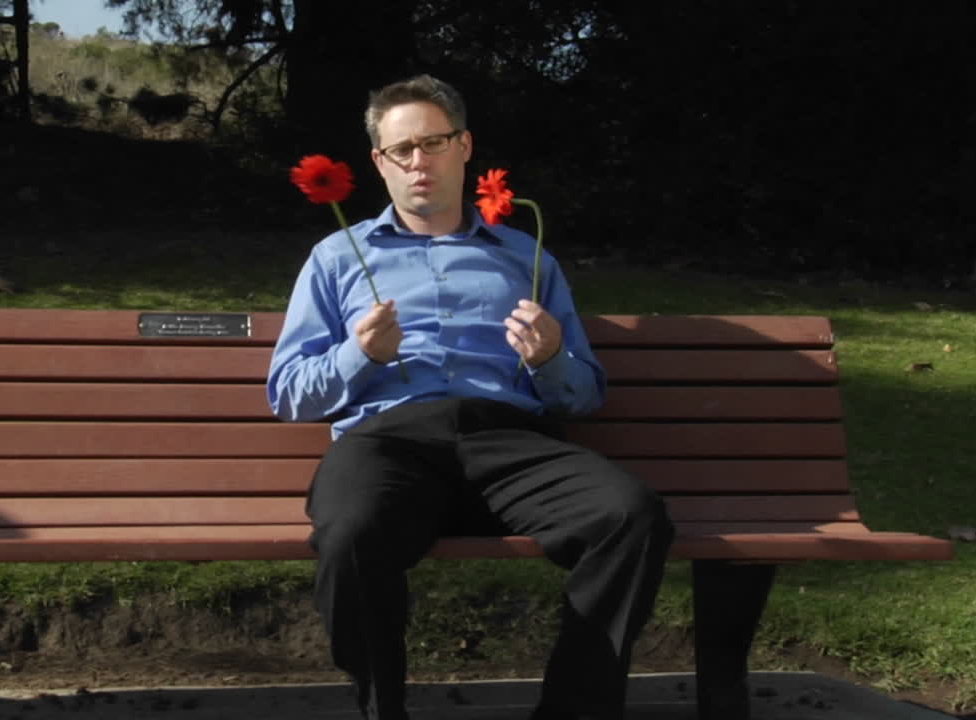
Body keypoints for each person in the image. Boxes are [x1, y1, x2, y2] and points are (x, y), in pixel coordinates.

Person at [267, 74, 674, 720]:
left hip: (507, 441)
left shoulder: (525, 256)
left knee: (631, 517)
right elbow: (289, 393)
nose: (418, 162)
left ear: (464, 147)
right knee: (348, 536)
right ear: (379, 162)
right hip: (390, 445)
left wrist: (548, 358)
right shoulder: (338, 257)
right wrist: (359, 354)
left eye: (433, 143)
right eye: (401, 149)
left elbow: (584, 393)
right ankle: (382, 711)